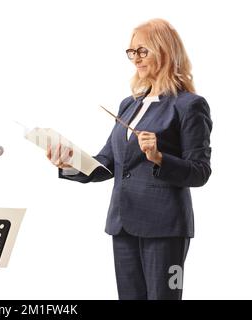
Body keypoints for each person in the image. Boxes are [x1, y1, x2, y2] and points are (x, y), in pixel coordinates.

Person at [46, 18, 212, 299]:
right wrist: (70, 163)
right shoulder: (130, 104)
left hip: (164, 227)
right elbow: (107, 163)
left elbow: (200, 172)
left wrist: (159, 157)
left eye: (142, 51)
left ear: (164, 50)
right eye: (131, 52)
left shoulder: (189, 105)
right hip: (122, 223)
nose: (135, 58)